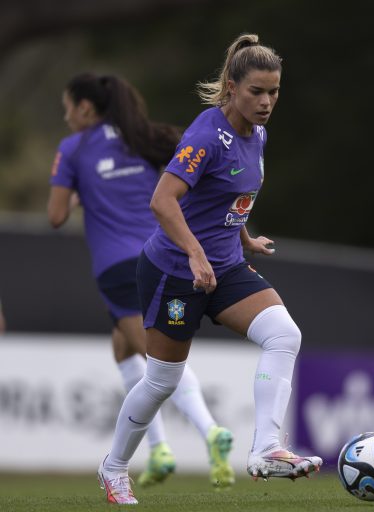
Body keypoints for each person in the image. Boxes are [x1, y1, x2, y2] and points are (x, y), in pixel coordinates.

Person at [96, 33, 323, 505]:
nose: (266, 102)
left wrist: (244, 238)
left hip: (225, 267)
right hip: (174, 273)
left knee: (284, 335)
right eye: (257, 91)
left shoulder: (257, 134)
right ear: (232, 89)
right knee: (162, 380)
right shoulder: (207, 134)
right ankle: (114, 468)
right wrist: (197, 255)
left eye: (274, 91)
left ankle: (265, 449)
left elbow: (225, 198)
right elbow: (163, 201)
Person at [47, 73, 235, 494]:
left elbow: (55, 216)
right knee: (123, 344)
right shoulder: (146, 138)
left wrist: (80, 192)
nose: (65, 116)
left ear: (86, 108)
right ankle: (161, 447)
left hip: (117, 268)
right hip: (162, 258)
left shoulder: (73, 149)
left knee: (159, 364)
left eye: (68, 106)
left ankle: (208, 431)